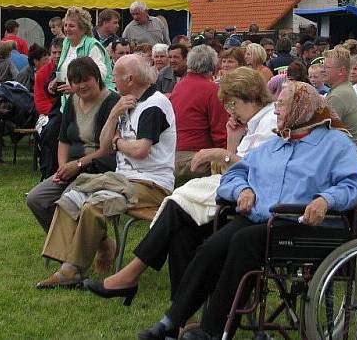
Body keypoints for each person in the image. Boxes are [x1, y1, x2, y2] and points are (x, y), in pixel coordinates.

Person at [136, 81, 357, 340]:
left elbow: (353, 185)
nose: (276, 111)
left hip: (306, 225)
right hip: (263, 220)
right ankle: (171, 321)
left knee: (244, 241)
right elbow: (234, 176)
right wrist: (242, 191)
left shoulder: (335, 144)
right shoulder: (274, 145)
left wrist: (326, 199)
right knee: (211, 246)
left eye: (282, 105)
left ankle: (212, 331)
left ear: (302, 108)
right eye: (277, 104)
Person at [85, 67, 279, 310]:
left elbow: (260, 172)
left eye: (232, 105)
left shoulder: (269, 122)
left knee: (178, 206)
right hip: (235, 194)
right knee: (179, 228)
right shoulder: (255, 122)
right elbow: (237, 166)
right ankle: (179, 317)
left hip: (250, 201)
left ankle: (133, 277)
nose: (231, 111)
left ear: (247, 96)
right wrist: (232, 137)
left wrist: (220, 154)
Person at [35, 54, 173, 288]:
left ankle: (71, 271)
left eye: (116, 76)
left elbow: (140, 150)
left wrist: (119, 143)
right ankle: (66, 261)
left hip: (151, 184)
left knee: (93, 204)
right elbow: (105, 142)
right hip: (122, 179)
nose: (112, 80)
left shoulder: (154, 104)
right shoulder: (126, 102)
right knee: (71, 197)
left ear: (130, 78)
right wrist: (113, 115)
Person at [26, 57, 121, 233]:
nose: (81, 86)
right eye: (76, 82)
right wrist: (62, 169)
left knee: (66, 201)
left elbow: (108, 149)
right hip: (71, 168)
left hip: (98, 168)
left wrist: (77, 165)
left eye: (86, 80)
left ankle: (73, 249)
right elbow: (63, 140)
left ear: (97, 78)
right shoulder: (72, 101)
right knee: (35, 199)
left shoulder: (112, 102)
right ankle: (86, 242)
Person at [169, 45, 228, 181]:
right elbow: (220, 133)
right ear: (213, 67)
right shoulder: (212, 90)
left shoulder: (179, 86)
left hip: (174, 157)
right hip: (198, 160)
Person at [52, 8, 114, 106]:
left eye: (72, 26)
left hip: (93, 103)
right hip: (70, 103)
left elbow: (100, 74)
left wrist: (75, 88)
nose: (67, 29)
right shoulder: (66, 42)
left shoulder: (92, 45)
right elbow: (66, 68)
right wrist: (56, 80)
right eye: (65, 25)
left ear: (83, 28)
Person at [323, 47, 357, 143]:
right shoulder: (344, 88)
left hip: (342, 154)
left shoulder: (338, 96)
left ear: (341, 71)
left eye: (327, 67)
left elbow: (321, 133)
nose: (323, 70)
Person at [34, 38, 63, 116]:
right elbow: (40, 101)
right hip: (51, 113)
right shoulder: (41, 73)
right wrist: (56, 113)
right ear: (50, 53)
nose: (57, 56)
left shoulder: (72, 69)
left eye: (60, 52)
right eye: (54, 53)